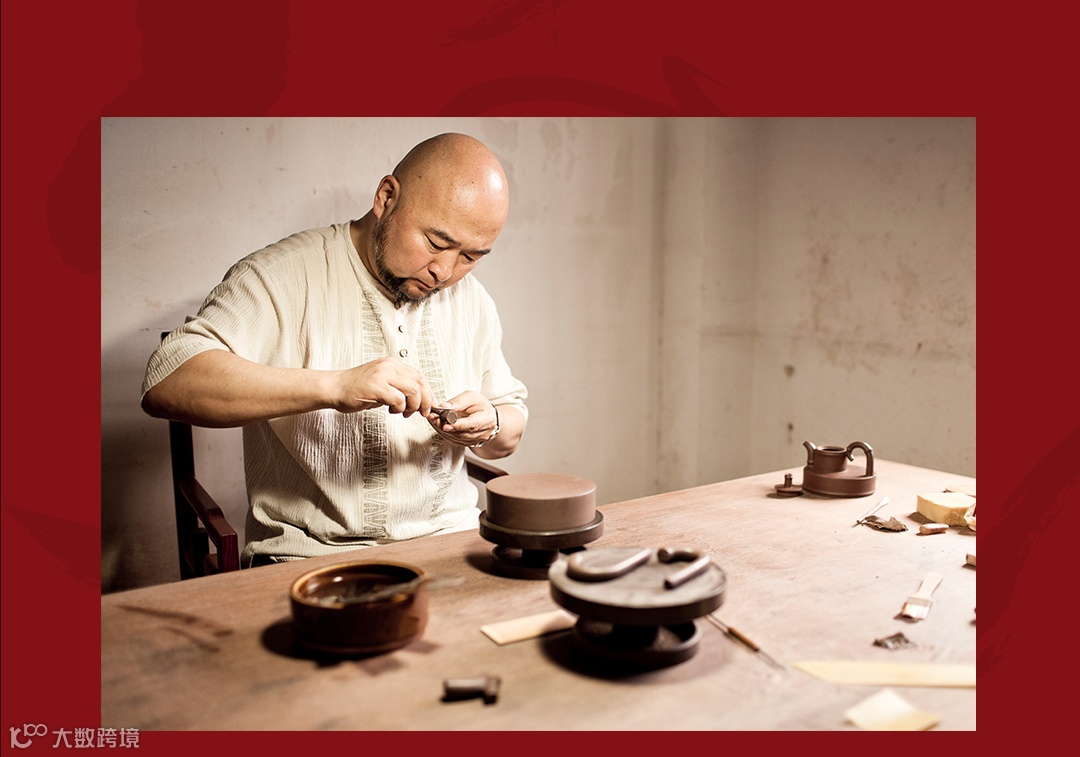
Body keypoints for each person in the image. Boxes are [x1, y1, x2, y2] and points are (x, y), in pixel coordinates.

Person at [141, 132, 528, 567]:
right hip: (309, 557)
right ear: (386, 197)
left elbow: (509, 428)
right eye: (436, 243)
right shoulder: (281, 275)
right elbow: (165, 384)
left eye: (470, 257)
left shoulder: (472, 299)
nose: (444, 271)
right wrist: (334, 386)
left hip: (451, 546)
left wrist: (490, 423)